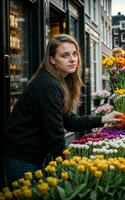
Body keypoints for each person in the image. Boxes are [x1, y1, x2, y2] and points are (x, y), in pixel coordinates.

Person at [3, 34, 123, 187]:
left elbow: (70, 121)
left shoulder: (59, 82)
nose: (72, 59)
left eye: (74, 54)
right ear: (52, 59)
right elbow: (55, 133)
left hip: (34, 155)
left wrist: (104, 118)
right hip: (23, 158)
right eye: (64, 55)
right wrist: (69, 168)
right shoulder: (48, 85)